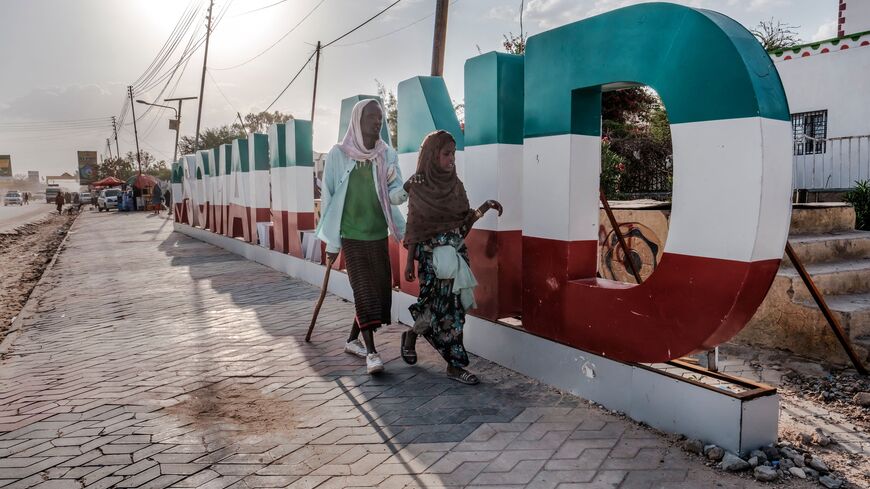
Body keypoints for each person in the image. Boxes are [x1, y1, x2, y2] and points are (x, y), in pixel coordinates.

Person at [402, 130, 503, 385]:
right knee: (431, 309)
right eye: (447, 154)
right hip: (431, 261)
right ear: (432, 155)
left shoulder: (455, 185)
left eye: (453, 154)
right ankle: (412, 335)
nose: (451, 159)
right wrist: (409, 261)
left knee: (455, 312)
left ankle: (454, 365)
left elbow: (462, 226)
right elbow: (413, 225)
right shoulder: (419, 185)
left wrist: (484, 208)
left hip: (456, 259)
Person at [315, 99, 408, 375]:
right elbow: (329, 197)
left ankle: (351, 340)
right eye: (371, 117)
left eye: (380, 117)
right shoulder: (338, 154)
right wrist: (332, 243)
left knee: (377, 293)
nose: (377, 122)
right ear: (357, 120)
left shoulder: (386, 154)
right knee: (364, 291)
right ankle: (372, 353)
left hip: (378, 233)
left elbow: (394, 193)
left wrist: (407, 190)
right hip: (351, 236)